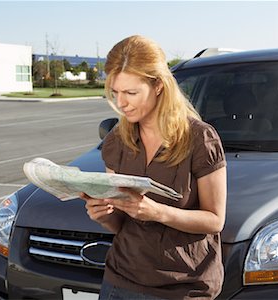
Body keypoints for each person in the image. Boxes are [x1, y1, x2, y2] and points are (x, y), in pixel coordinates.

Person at [80, 35, 227, 300]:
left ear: (158, 85)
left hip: (184, 287)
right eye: (115, 93)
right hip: (122, 280)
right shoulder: (116, 140)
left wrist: (158, 212)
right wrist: (103, 214)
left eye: (131, 93)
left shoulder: (200, 138)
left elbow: (214, 220)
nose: (121, 103)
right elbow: (121, 224)